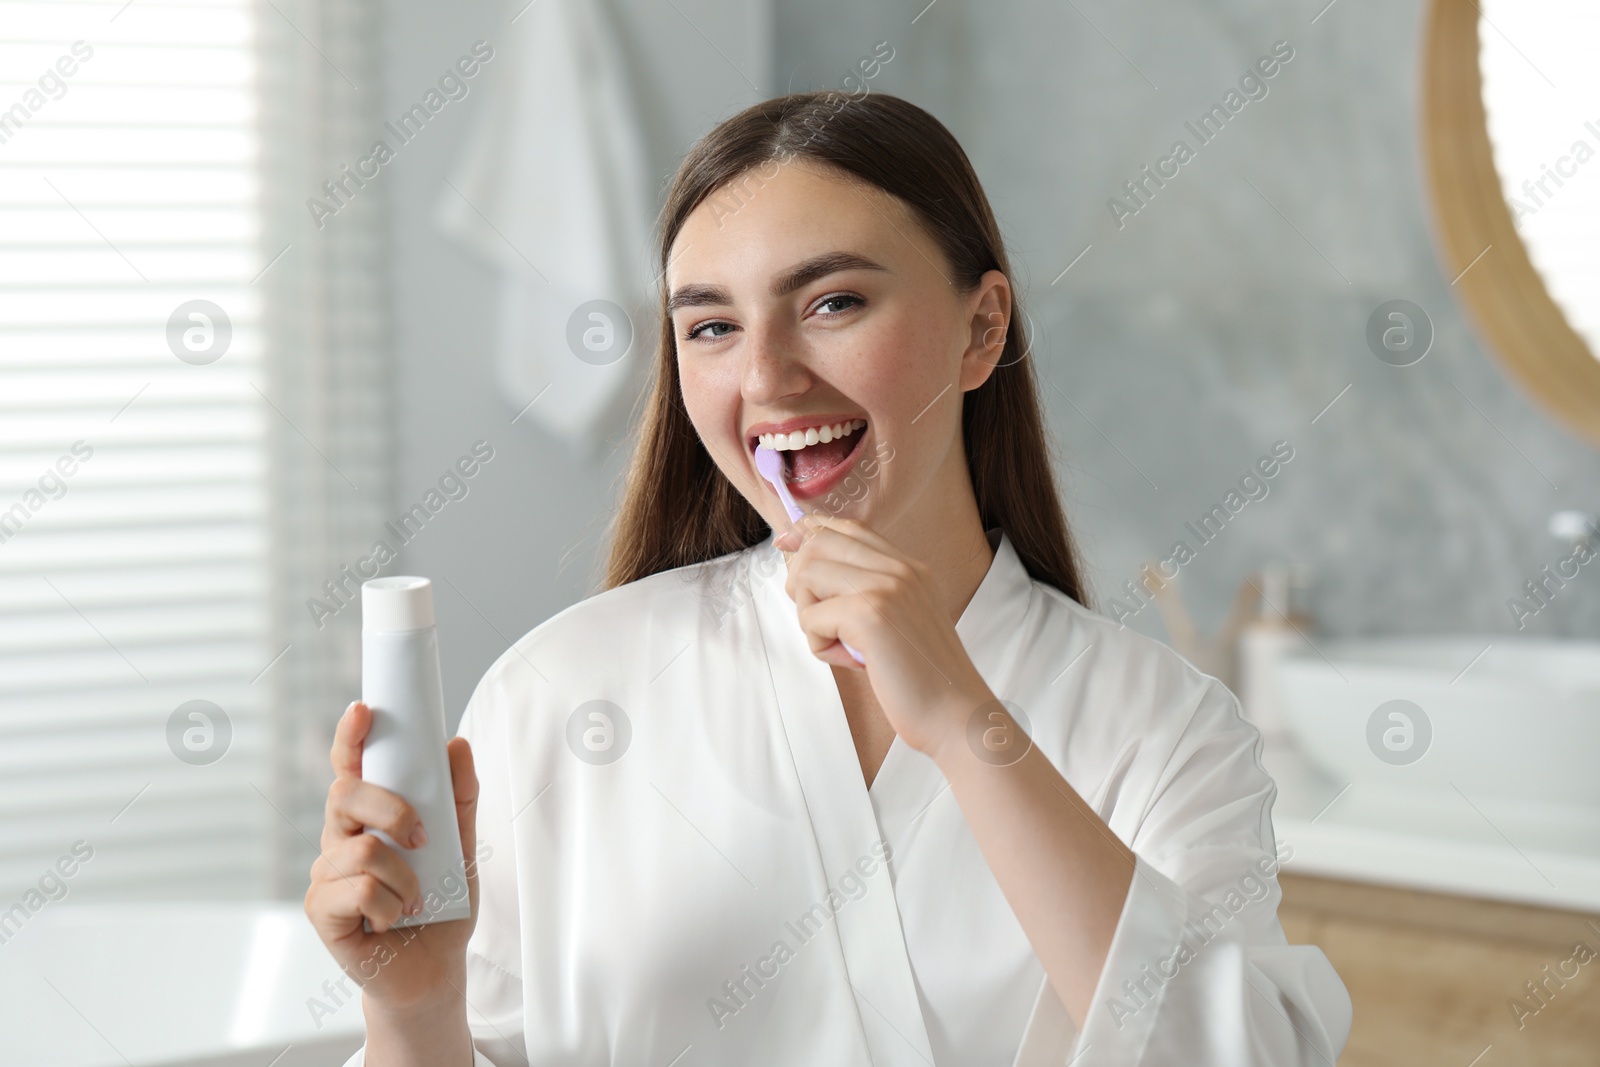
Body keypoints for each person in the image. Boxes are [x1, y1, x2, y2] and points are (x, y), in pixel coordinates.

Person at [305, 90, 1351, 1066]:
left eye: (833, 301)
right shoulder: (561, 692)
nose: (765, 376)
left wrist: (963, 719)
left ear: (981, 327)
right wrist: (413, 1009)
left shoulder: (1163, 729)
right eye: (711, 326)